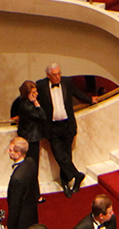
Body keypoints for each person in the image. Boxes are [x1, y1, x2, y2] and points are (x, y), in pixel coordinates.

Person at [36, 63, 89, 196]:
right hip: (52, 127)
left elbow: (77, 93)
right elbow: (31, 96)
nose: (58, 77)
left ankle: (66, 182)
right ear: (48, 75)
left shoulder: (67, 81)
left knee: (66, 155)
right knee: (59, 155)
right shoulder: (41, 86)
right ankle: (77, 175)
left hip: (67, 125)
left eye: (59, 73)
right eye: (54, 75)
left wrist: (90, 100)